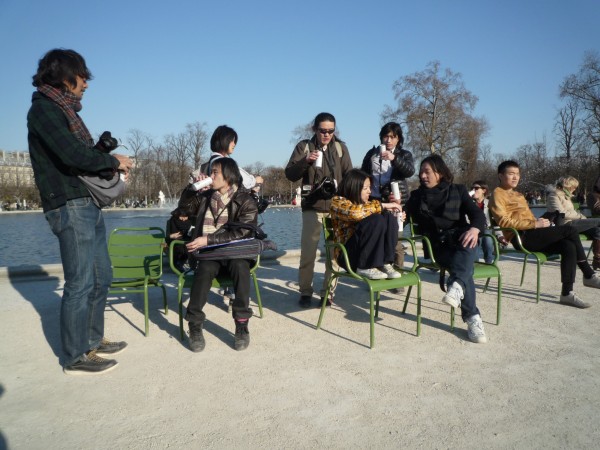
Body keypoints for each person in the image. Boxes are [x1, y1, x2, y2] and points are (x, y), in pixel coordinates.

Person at [27, 49, 133, 374]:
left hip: (85, 202)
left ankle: (92, 339)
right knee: (80, 282)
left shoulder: (64, 110)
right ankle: (75, 355)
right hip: (69, 204)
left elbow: (79, 153)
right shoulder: (44, 109)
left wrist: (100, 152)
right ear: (64, 75)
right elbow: (71, 155)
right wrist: (113, 161)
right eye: (82, 75)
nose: (86, 83)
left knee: (102, 277)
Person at [489, 161, 600, 308]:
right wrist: (534, 224)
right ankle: (588, 274)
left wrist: (537, 220)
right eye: (511, 174)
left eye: (517, 174)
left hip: (532, 233)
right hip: (520, 237)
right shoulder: (497, 194)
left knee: (568, 246)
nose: (515, 177)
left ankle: (567, 293)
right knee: (570, 230)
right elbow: (503, 221)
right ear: (500, 176)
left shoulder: (518, 194)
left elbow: (524, 217)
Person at [404, 154, 488, 343]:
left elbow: (478, 215)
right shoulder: (417, 196)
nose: (423, 176)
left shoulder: (457, 190)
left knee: (468, 244)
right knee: (465, 268)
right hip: (437, 247)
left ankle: (457, 288)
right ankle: (471, 315)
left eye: (427, 172)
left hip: (461, 241)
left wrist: (475, 229)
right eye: (421, 172)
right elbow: (403, 212)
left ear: (440, 173)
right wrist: (399, 211)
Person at [184, 158, 258, 352]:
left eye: (215, 172)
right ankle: (194, 324)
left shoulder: (245, 200)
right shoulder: (204, 196)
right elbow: (182, 211)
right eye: (211, 172)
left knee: (241, 267)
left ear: (229, 176)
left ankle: (241, 324)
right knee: (205, 269)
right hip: (209, 254)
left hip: (235, 251)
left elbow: (244, 232)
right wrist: (192, 189)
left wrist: (207, 240)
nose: (211, 176)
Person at [285, 112, 353, 308]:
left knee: (334, 255)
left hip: (335, 208)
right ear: (314, 129)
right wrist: (305, 161)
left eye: (331, 131)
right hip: (311, 207)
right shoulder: (304, 146)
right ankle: (305, 291)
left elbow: (349, 177)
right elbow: (290, 174)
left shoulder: (340, 148)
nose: (327, 135)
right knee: (308, 253)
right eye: (323, 131)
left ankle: (328, 293)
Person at [329, 169, 403, 279]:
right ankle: (365, 266)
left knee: (388, 218)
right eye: (365, 188)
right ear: (354, 187)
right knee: (376, 219)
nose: (370, 191)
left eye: (370, 187)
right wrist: (383, 206)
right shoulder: (337, 201)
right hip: (347, 255)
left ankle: (385, 263)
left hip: (369, 253)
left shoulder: (369, 204)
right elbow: (355, 213)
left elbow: (381, 216)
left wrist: (397, 215)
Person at [361, 122, 414, 268]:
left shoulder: (404, 154)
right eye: (386, 136)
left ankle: (398, 274)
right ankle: (376, 269)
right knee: (375, 236)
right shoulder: (372, 154)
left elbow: (410, 171)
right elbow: (363, 175)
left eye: (393, 137)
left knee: (395, 239)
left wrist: (394, 159)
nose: (388, 140)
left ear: (398, 139)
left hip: (395, 201)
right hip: (374, 201)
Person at [546, 176, 600, 270]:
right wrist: (580, 216)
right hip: (564, 224)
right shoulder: (553, 195)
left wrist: (581, 217)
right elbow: (561, 214)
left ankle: (597, 260)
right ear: (567, 186)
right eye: (574, 187)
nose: (575, 189)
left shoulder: (565, 196)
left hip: (573, 222)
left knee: (598, 230)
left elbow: (571, 212)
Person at [201, 125, 263, 192]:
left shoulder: (208, 164)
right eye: (232, 141)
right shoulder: (223, 163)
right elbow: (245, 182)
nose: (234, 144)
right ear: (224, 140)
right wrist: (256, 181)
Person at [470, 180, 507, 264]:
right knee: (477, 238)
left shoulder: (490, 204)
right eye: (472, 188)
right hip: (473, 229)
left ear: (484, 190)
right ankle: (474, 263)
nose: (473, 190)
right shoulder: (469, 203)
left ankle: (489, 262)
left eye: (476, 188)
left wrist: (500, 236)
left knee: (487, 237)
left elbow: (495, 222)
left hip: (487, 229)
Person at [166, 206, 194, 272]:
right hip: (175, 244)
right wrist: (171, 236)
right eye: (182, 216)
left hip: (187, 242)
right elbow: (167, 238)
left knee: (187, 245)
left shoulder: (191, 221)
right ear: (177, 215)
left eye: (186, 216)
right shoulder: (171, 221)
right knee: (180, 246)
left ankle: (186, 264)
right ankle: (179, 264)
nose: (184, 219)